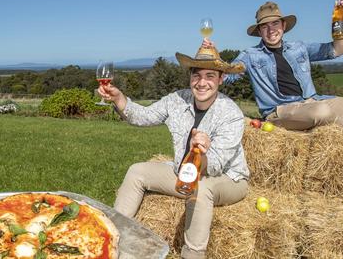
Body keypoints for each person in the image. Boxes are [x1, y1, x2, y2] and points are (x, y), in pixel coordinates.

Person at [98, 45, 250, 259]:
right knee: (137, 171)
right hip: (183, 174)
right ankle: (112, 239)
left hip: (228, 180)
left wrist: (204, 151)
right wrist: (119, 99)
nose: (202, 82)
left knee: (201, 188)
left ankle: (192, 255)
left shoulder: (231, 113)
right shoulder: (177, 99)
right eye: (196, 75)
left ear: (221, 79)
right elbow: (143, 116)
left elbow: (215, 166)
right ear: (190, 77)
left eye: (210, 76)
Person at [211, 0, 343, 134]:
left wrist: (342, 20)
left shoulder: (299, 48)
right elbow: (226, 76)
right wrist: (212, 58)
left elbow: (339, 49)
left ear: (283, 25)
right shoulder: (250, 56)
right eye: (265, 26)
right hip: (280, 111)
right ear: (259, 30)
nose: (271, 30)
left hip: (315, 101)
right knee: (325, 115)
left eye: (275, 23)